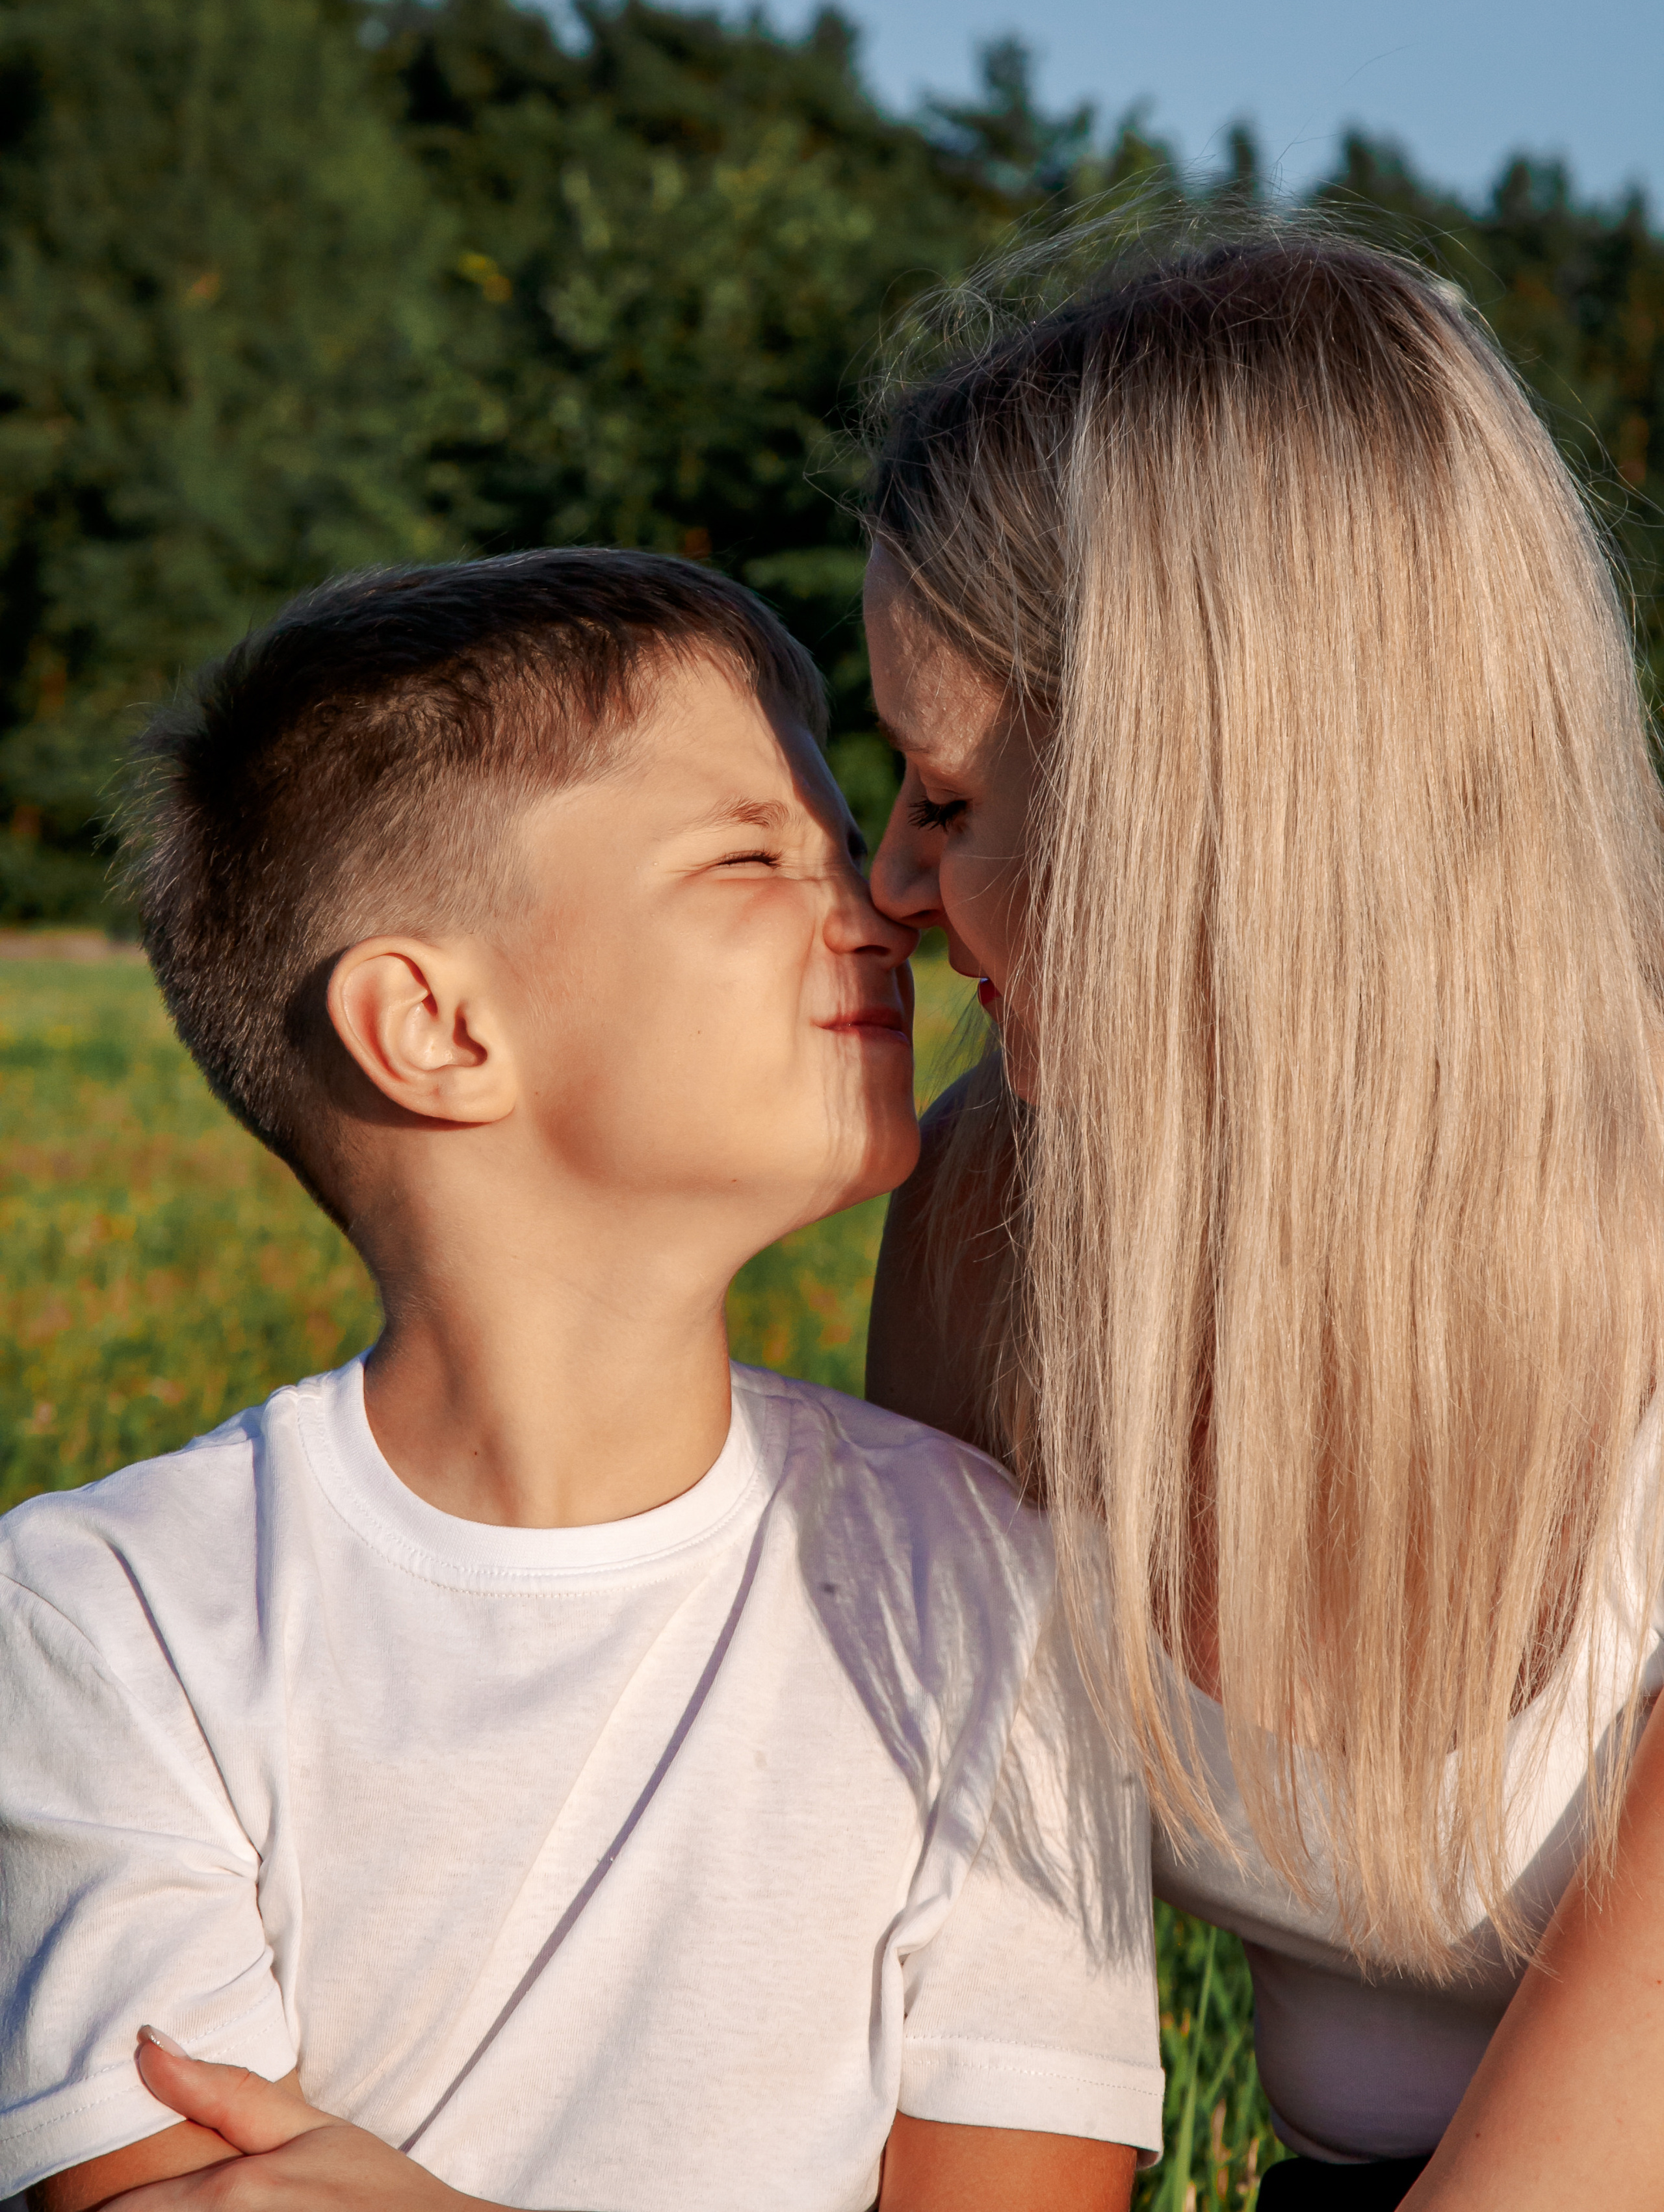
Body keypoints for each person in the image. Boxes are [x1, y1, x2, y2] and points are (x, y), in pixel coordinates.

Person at [0, 550, 1164, 2212]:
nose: (882, 903)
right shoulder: (104, 1616)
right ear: (435, 1028)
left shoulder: (983, 1584)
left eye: (842, 840)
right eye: (753, 854)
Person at [859, 229, 1664, 2210]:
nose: (882, 885)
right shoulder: (994, 1226)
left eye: (945, 799)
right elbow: (970, 2103)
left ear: (1198, 797)